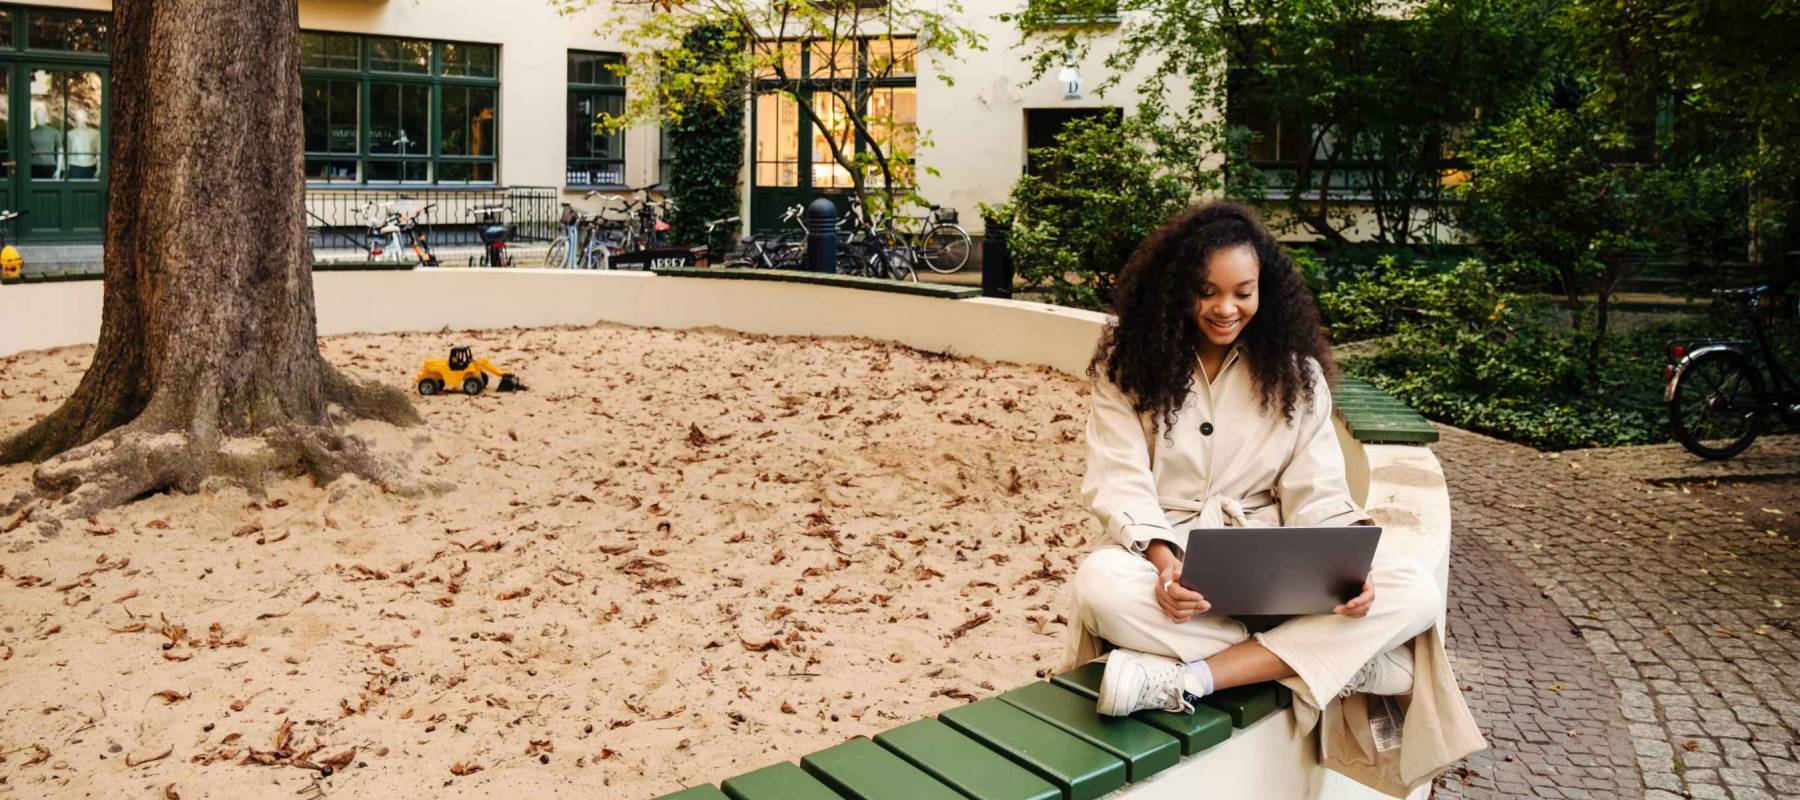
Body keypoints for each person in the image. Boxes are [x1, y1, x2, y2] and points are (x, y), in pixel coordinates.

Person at [1064, 202, 1483, 796]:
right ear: (1175, 288)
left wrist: (1349, 567)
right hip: (1164, 557)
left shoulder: (1298, 376)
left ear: (1267, 291)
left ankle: (1197, 679)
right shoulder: (1127, 365)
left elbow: (1318, 494)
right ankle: (1332, 659)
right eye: (1205, 292)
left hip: (1274, 555)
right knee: (1099, 586)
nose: (1225, 309)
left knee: (1410, 587)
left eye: (1243, 292)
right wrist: (1164, 565)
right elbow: (1119, 479)